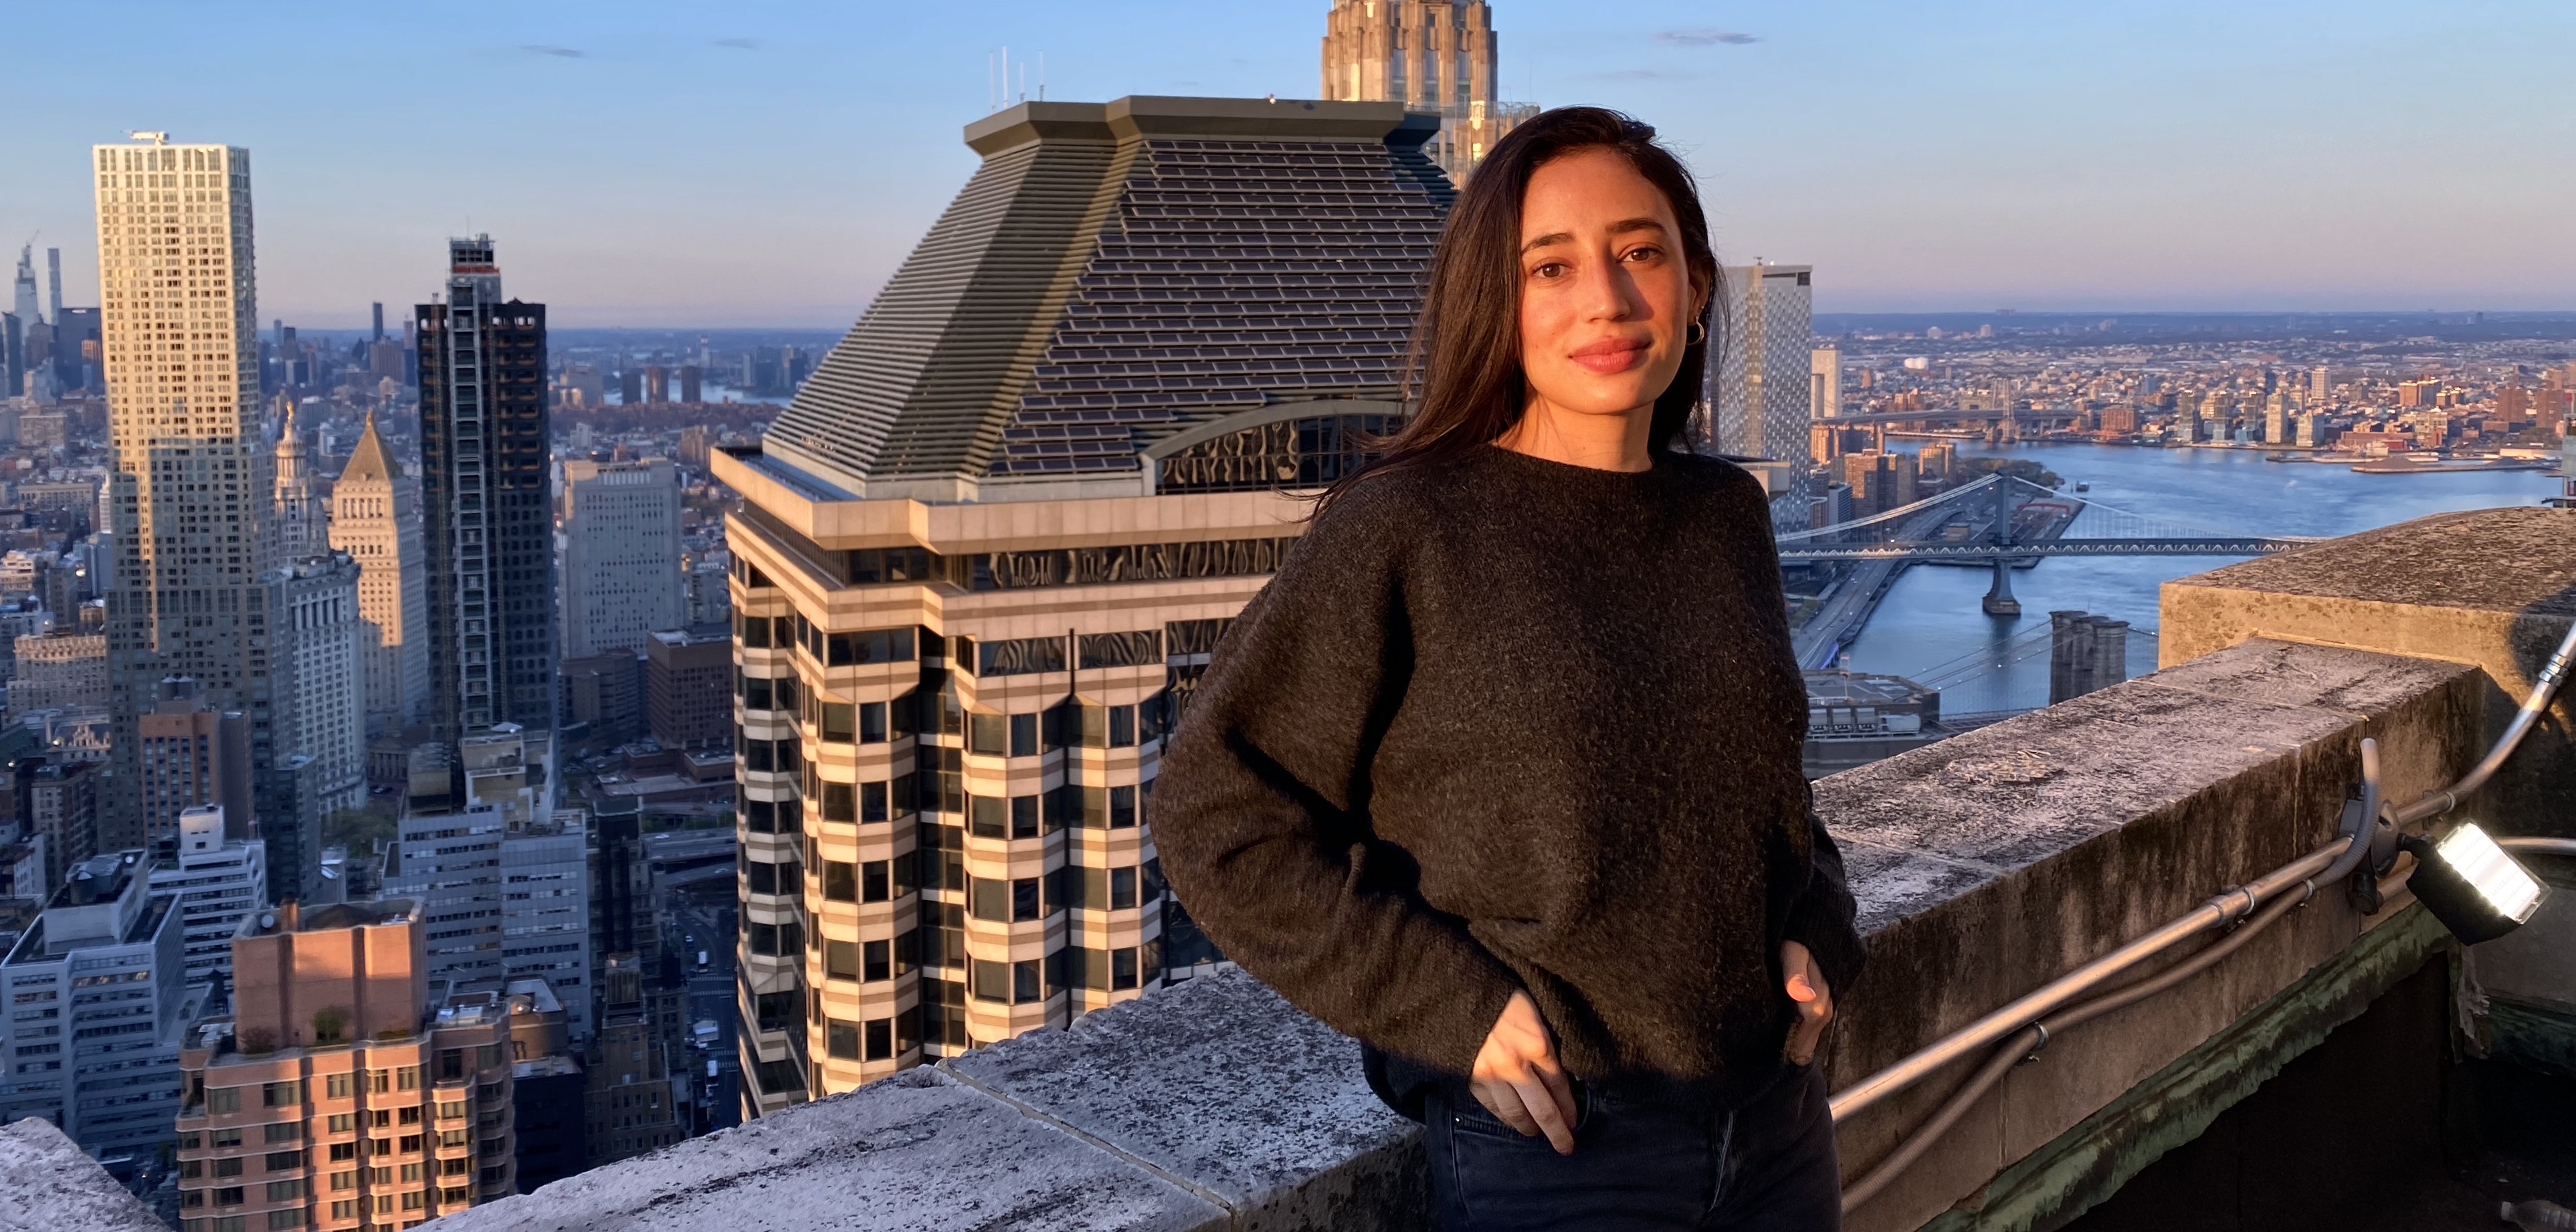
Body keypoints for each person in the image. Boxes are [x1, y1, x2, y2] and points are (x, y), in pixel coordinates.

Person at [1149, 106, 1866, 1231]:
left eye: (1642, 251)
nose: (1608, 298)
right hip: (1563, 1151)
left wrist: (1815, 923)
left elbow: (1772, 797)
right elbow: (1217, 812)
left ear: (1694, 286)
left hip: (1775, 1127)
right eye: (1551, 265)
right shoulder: (1408, 528)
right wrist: (1452, 1009)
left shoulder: (1725, 513)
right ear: (1499, 299)